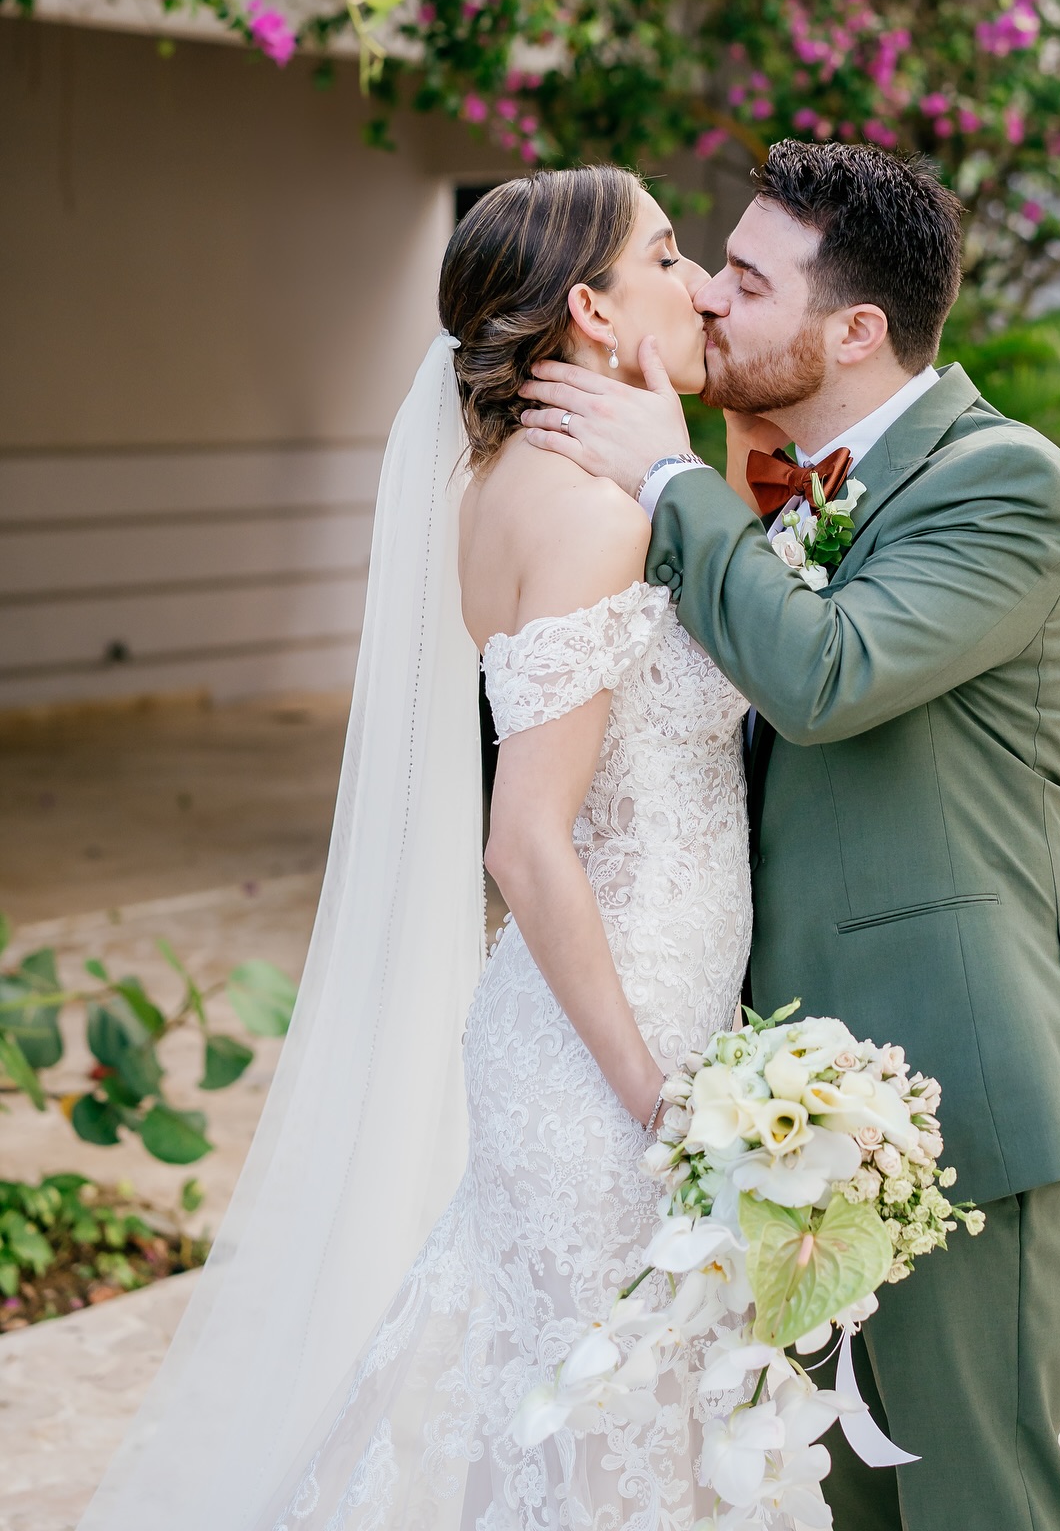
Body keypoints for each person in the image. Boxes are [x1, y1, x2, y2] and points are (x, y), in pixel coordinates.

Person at [76, 166, 753, 1531]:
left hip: (599, 1018)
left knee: (570, 1427)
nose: (699, 284)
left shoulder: (524, 483)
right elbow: (523, 842)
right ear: (592, 309)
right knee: (604, 1437)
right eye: (670, 258)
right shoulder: (596, 517)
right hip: (613, 1051)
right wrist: (657, 1100)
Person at [519, 139, 1060, 1531]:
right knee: (837, 1501)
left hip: (958, 1089)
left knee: (977, 1496)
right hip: (782, 1105)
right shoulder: (779, 482)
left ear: (856, 330)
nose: (712, 301)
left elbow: (829, 678)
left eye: (744, 277)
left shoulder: (1004, 484)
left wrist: (677, 487)